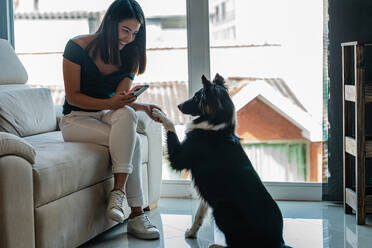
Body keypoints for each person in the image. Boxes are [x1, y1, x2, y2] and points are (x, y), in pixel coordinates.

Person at [60, 0, 161, 240]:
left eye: (135, 33)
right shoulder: (76, 47)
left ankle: (118, 193)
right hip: (75, 120)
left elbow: (118, 100)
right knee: (132, 141)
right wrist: (109, 104)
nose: (129, 38)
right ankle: (136, 215)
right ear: (110, 23)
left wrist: (140, 105)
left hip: (105, 116)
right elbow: (73, 97)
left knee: (127, 114)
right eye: (125, 30)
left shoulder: (130, 56)